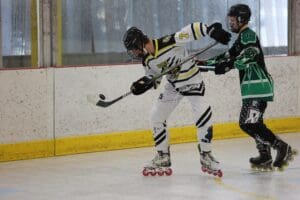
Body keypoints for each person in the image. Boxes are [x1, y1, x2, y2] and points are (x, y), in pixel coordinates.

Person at [122, 22, 231, 177]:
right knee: (156, 116)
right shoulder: (147, 60)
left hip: (192, 81)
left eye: (133, 48)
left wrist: (209, 30)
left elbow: (190, 30)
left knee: (203, 114)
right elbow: (154, 77)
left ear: (140, 43)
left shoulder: (169, 42)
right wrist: (143, 83)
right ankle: (163, 156)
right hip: (173, 87)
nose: (133, 52)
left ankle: (206, 155)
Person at [199, 4, 297, 170]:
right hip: (251, 88)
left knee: (247, 123)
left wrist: (229, 65)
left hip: (258, 87)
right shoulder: (241, 38)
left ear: (241, 19)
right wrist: (203, 64)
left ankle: (281, 146)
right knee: (254, 122)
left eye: (232, 20)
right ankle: (265, 156)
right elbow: (226, 56)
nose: (231, 24)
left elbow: (251, 53)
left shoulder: (248, 35)